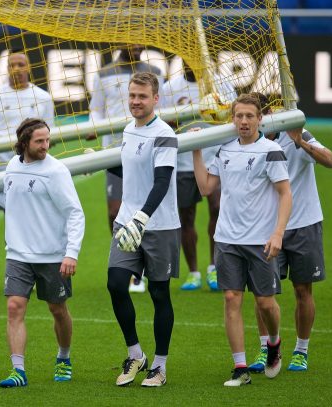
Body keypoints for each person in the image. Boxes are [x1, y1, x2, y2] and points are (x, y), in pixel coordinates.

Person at [0, 118, 84, 388]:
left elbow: (75, 213)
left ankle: (64, 357)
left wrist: (71, 253)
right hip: (17, 254)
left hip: (51, 256)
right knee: (14, 308)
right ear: (24, 142)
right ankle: (18, 370)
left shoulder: (56, 171)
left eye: (47, 140)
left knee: (57, 310)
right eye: (39, 141)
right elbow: (10, 201)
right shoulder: (13, 166)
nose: (45, 145)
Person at [192, 93, 292, 386]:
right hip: (226, 239)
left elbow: (286, 194)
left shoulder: (270, 150)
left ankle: (273, 342)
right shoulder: (224, 150)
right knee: (231, 298)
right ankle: (240, 367)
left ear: (260, 119)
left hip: (261, 240)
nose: (244, 121)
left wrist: (278, 233)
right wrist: (197, 152)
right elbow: (206, 188)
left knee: (264, 303)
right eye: (239, 116)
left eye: (250, 116)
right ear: (232, 118)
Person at [247, 92, 332, 373]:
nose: (254, 120)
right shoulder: (249, 142)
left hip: (304, 223)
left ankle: (301, 350)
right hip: (268, 227)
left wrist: (299, 141)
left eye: (258, 114)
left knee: (302, 289)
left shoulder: (298, 133)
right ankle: (266, 348)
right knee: (263, 292)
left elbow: (330, 160)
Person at [107, 72, 180, 388]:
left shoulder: (164, 133)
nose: (136, 101)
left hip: (158, 225)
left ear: (156, 99)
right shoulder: (127, 129)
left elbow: (162, 181)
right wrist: (95, 163)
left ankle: (160, 366)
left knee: (159, 292)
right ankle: (136, 354)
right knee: (116, 284)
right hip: (127, 221)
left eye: (142, 96)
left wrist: (142, 217)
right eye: (132, 96)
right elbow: (131, 171)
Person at [89, 44, 164, 293]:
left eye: (140, 41)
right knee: (115, 211)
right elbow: (96, 108)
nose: (136, 46)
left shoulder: (154, 71)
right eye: (131, 41)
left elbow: (160, 107)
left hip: (146, 148)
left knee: (146, 207)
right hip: (115, 150)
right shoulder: (103, 74)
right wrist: (94, 127)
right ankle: (127, 265)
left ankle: (141, 272)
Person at [161, 61, 236, 291]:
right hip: (184, 161)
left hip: (216, 157)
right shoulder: (169, 88)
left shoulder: (222, 86)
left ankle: (214, 267)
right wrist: (173, 122)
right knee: (186, 218)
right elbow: (162, 123)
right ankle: (193, 272)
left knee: (217, 208)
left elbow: (235, 117)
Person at [0, 49, 55, 210]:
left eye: (20, 64)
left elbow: (51, 132)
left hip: (35, 167)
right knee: (11, 219)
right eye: (11, 65)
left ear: (29, 67)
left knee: (36, 214)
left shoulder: (43, 97)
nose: (16, 68)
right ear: (6, 69)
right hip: (4, 167)